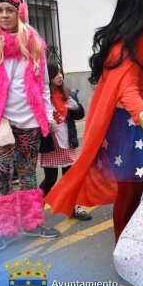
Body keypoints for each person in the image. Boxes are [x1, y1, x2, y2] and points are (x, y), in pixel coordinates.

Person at [45, 0, 143, 242]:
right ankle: (125, 244)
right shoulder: (125, 43)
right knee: (131, 191)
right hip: (134, 125)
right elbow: (128, 91)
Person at [0, 0, 60, 248]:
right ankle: (4, 228)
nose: (4, 15)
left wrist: (47, 114)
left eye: (9, 10)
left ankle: (32, 223)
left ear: (19, 12)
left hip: (30, 120)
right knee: (1, 175)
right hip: (1, 123)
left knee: (28, 174)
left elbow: (45, 85)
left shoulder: (33, 43)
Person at [39, 60, 91, 221]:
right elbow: (36, 116)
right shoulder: (42, 96)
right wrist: (45, 122)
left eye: (61, 72)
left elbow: (79, 115)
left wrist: (77, 108)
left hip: (67, 141)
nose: (60, 76)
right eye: (55, 74)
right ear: (47, 76)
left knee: (71, 178)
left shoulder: (68, 94)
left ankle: (74, 207)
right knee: (50, 179)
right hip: (51, 142)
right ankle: (34, 209)